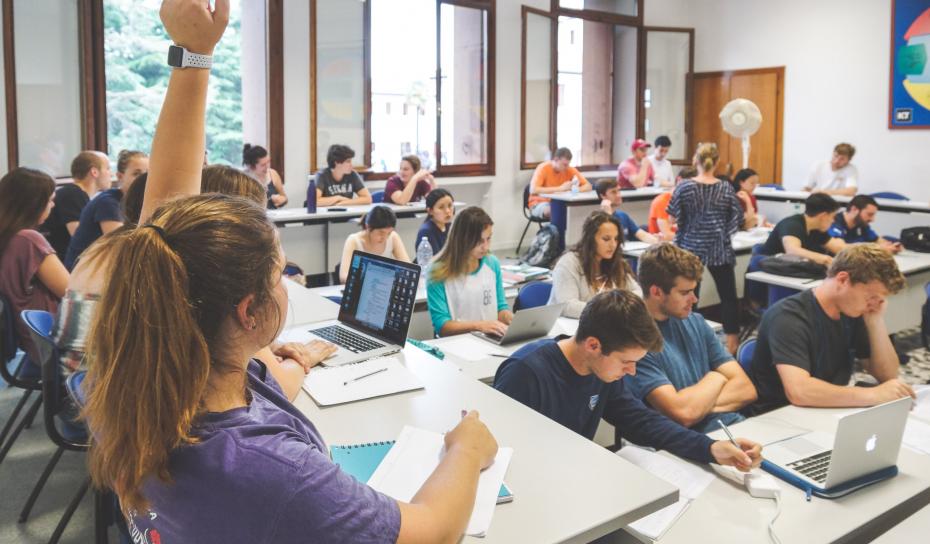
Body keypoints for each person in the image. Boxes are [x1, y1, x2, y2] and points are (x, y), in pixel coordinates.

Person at [84, 3, 497, 542]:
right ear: (249, 312)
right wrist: (465, 449)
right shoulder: (279, 474)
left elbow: (164, 218)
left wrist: (195, 57)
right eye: (279, 274)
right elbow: (433, 530)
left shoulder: (128, 371)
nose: (289, 283)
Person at [494, 290, 762, 469]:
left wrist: (711, 448)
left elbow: (642, 421)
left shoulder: (602, 371)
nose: (632, 372)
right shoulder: (525, 373)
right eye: (627, 362)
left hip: (574, 480)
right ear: (593, 345)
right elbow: (502, 459)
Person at [748, 244, 914, 414]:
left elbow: (887, 375)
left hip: (827, 408)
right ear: (842, 280)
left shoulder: (852, 310)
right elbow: (799, 392)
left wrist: (875, 321)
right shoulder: (788, 317)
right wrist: (872, 394)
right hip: (781, 415)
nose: (874, 304)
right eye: (871, 297)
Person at [629, 243, 757, 433]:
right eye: (685, 292)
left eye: (693, 290)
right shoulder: (635, 340)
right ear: (656, 292)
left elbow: (747, 389)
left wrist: (698, 406)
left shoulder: (695, 321)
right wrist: (716, 377)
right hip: (689, 442)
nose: (694, 299)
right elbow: (683, 415)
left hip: (733, 426)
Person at [667, 143, 743, 353]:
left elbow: (672, 216)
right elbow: (737, 218)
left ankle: (688, 341)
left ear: (695, 161)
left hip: (690, 247)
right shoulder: (726, 187)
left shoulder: (684, 187)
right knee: (728, 296)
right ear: (717, 162)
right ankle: (732, 344)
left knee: (689, 296)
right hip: (719, 247)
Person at [0, 168, 70, 365]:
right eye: (50, 200)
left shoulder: (7, 237)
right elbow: (70, 291)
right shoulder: (28, 240)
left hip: (31, 341)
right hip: (52, 341)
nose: (53, 205)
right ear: (33, 204)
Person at [427, 206, 512, 337]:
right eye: (479, 241)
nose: (486, 247)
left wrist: (509, 318)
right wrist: (480, 326)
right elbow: (442, 326)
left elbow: (500, 308)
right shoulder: (437, 271)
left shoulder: (492, 263)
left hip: (490, 341)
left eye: (488, 238)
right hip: (457, 345)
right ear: (463, 239)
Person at [63, 150, 148, 270]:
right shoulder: (108, 202)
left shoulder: (135, 202)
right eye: (136, 174)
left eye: (148, 174)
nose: (143, 179)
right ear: (120, 176)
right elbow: (122, 246)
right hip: (83, 273)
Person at [548, 211, 643, 318]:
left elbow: (638, 292)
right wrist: (609, 309)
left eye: (616, 239)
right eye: (606, 239)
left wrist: (618, 306)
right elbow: (567, 306)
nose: (613, 245)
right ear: (590, 239)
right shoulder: (569, 263)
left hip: (603, 327)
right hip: (567, 329)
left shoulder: (616, 263)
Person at [39, 151, 112, 257]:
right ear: (94, 172)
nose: (111, 174)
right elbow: (81, 239)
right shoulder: (72, 194)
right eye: (108, 168)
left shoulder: (78, 195)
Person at [756, 193, 845, 266]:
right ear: (823, 216)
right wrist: (825, 259)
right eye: (832, 217)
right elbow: (792, 251)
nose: (833, 221)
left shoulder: (816, 229)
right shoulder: (792, 224)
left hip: (789, 270)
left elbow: (838, 247)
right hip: (768, 270)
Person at [339, 206, 411, 283]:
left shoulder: (393, 237)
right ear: (368, 227)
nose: (385, 237)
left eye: (389, 233)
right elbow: (343, 276)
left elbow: (408, 268)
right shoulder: (354, 240)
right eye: (381, 233)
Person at [527, 147, 590, 219]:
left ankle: (564, 229)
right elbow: (533, 190)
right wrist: (560, 188)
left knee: (576, 210)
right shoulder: (543, 168)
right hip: (539, 203)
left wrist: (574, 189)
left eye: (568, 164)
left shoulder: (569, 169)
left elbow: (588, 186)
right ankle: (555, 230)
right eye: (564, 164)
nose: (567, 167)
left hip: (560, 203)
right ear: (556, 159)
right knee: (557, 211)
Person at [828, 195, 902, 253]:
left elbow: (877, 240)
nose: (873, 220)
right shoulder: (834, 222)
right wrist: (877, 249)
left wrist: (891, 247)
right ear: (854, 209)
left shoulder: (861, 224)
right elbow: (840, 249)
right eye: (869, 214)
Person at [596, 179, 660, 244]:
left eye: (618, 191)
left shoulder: (622, 215)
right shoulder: (597, 220)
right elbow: (609, 241)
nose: (618, 195)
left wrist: (657, 241)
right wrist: (608, 215)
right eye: (613, 192)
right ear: (603, 196)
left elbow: (642, 235)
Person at [647, 166, 695, 238]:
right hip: (665, 246)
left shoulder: (691, 201)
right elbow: (667, 235)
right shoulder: (661, 201)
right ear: (679, 180)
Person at [242, 143, 287, 209]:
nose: (267, 166)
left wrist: (281, 200)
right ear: (251, 166)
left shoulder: (272, 174)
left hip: (274, 217)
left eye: (268, 162)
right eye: (263, 165)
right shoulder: (242, 178)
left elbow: (284, 198)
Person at [415, 188, 454, 255]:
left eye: (450, 205)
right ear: (430, 211)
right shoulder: (426, 231)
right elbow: (434, 261)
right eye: (441, 207)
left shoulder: (451, 226)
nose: (447, 211)